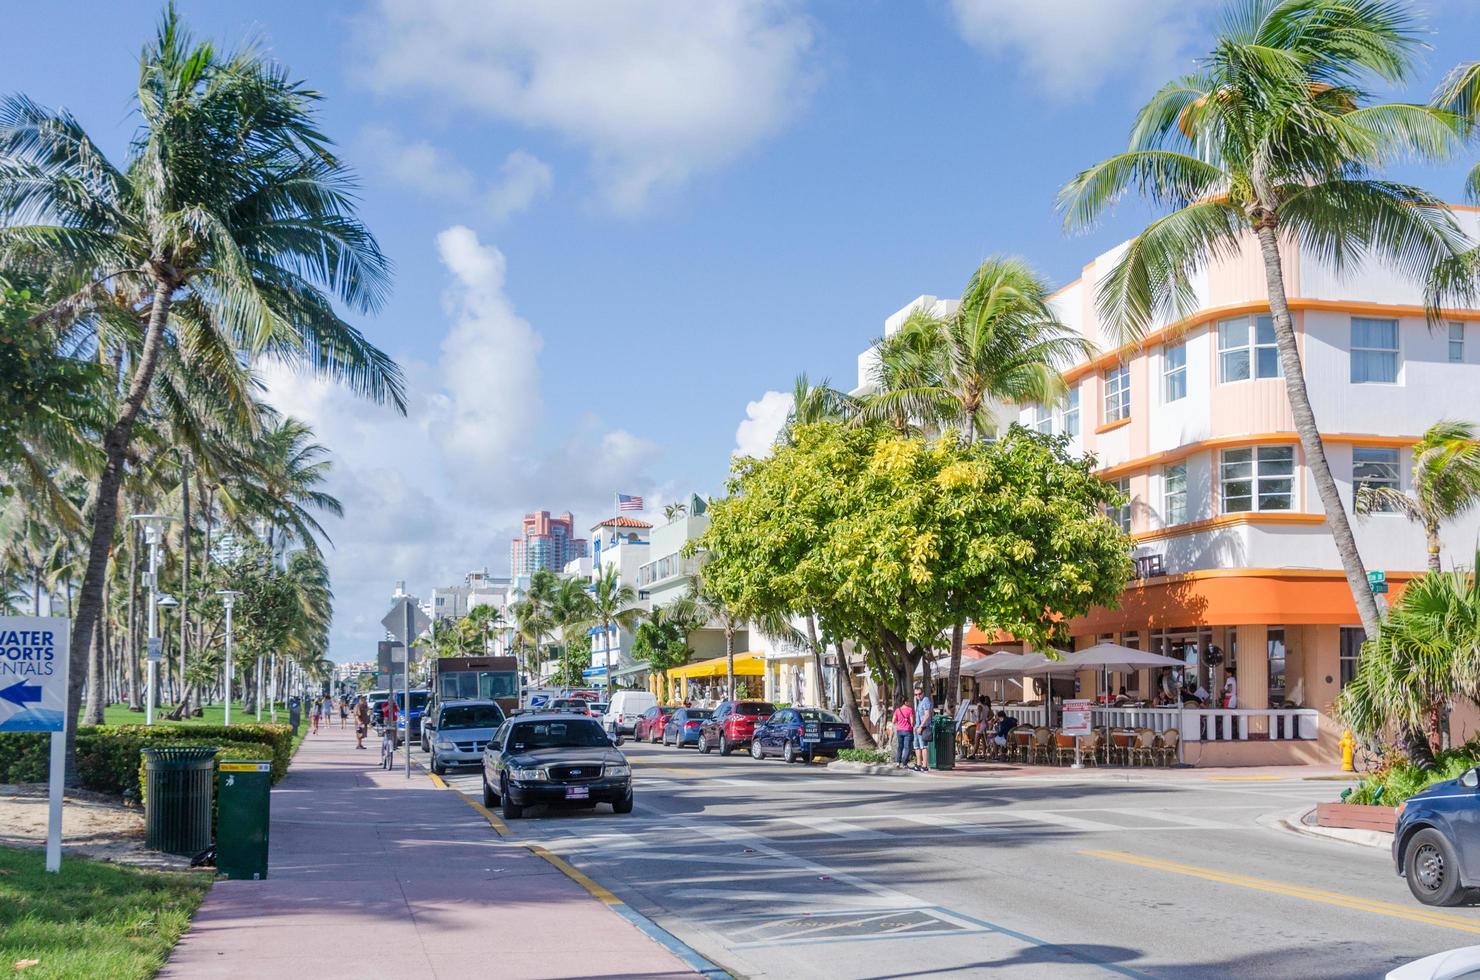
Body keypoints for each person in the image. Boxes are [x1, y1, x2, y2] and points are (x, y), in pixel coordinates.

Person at [912, 682, 933, 772]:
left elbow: (927, 715)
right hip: (917, 727)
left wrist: (921, 726)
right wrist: (915, 726)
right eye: (916, 694)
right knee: (916, 746)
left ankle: (924, 765)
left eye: (919, 694)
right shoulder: (918, 702)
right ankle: (918, 764)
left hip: (923, 727)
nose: (918, 696)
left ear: (923, 693)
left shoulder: (925, 700)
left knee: (923, 746)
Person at [891, 698, 915, 768]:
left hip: (899, 730)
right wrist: (912, 725)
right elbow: (912, 721)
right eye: (909, 701)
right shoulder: (910, 710)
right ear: (905, 702)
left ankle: (898, 763)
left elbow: (893, 720)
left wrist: (899, 723)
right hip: (907, 730)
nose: (910, 703)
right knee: (907, 747)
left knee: (900, 747)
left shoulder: (897, 710)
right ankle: (905, 763)